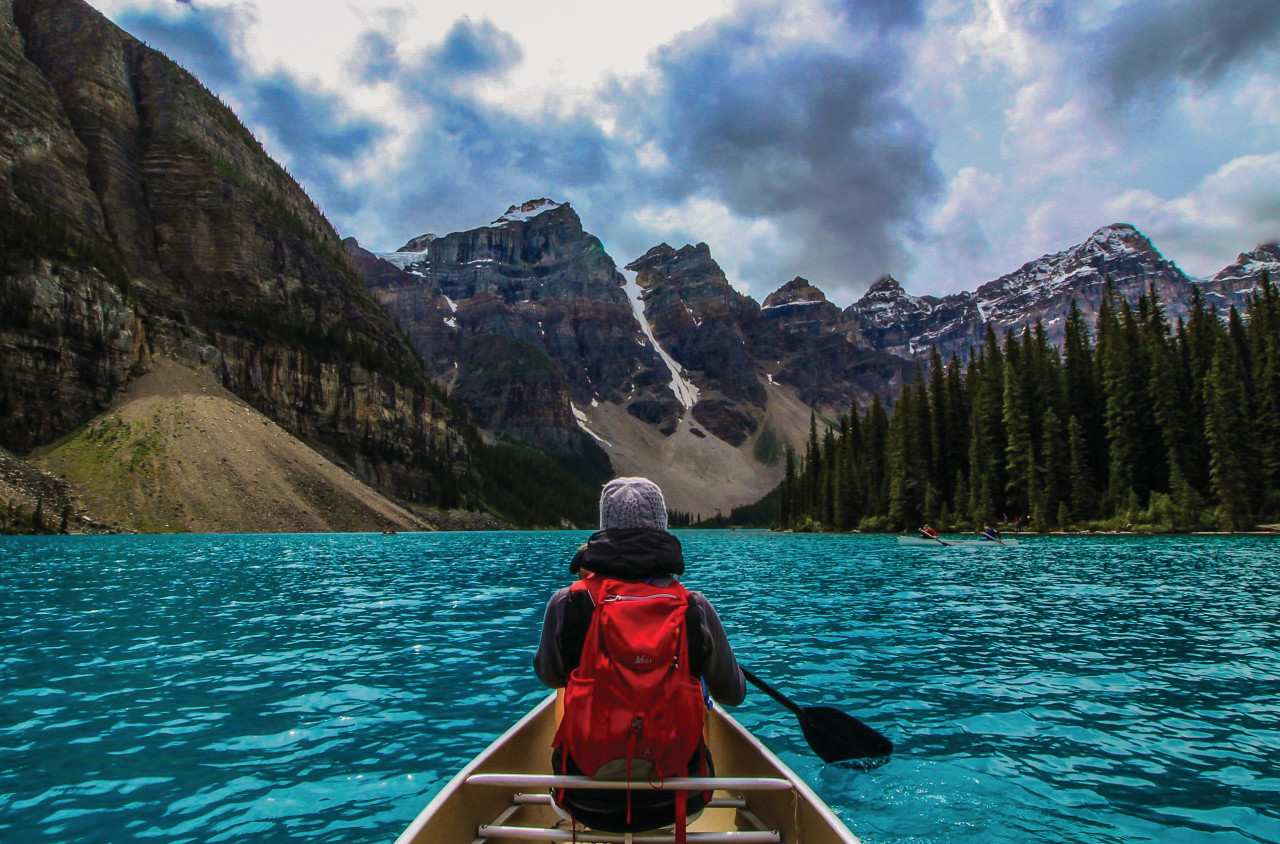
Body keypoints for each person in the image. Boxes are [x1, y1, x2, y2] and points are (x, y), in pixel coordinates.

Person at [534, 477, 745, 832]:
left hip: (584, 802)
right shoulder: (693, 607)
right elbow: (734, 694)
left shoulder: (566, 602)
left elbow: (549, 676)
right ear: (661, 526)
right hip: (680, 801)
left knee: (566, 685)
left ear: (603, 528)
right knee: (699, 689)